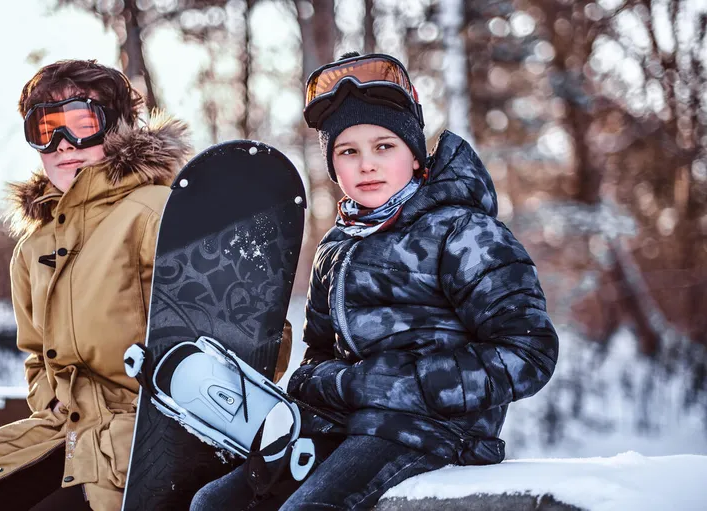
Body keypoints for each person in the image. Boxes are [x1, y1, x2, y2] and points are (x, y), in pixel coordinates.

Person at [190, 52, 560, 511]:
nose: (366, 164)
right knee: (213, 503)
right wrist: (331, 384)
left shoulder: (464, 232)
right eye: (348, 151)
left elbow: (529, 352)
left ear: (415, 155)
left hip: (434, 430)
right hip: (343, 425)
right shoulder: (336, 245)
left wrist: (402, 384)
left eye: (384, 146)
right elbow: (319, 352)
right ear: (333, 165)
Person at [0, 59, 291, 511]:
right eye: (45, 128)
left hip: (146, 448)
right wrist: (54, 404)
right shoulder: (33, 248)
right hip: (65, 437)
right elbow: (37, 358)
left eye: (82, 122)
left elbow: (256, 339)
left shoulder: (160, 214)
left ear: (118, 127)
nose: (63, 143)